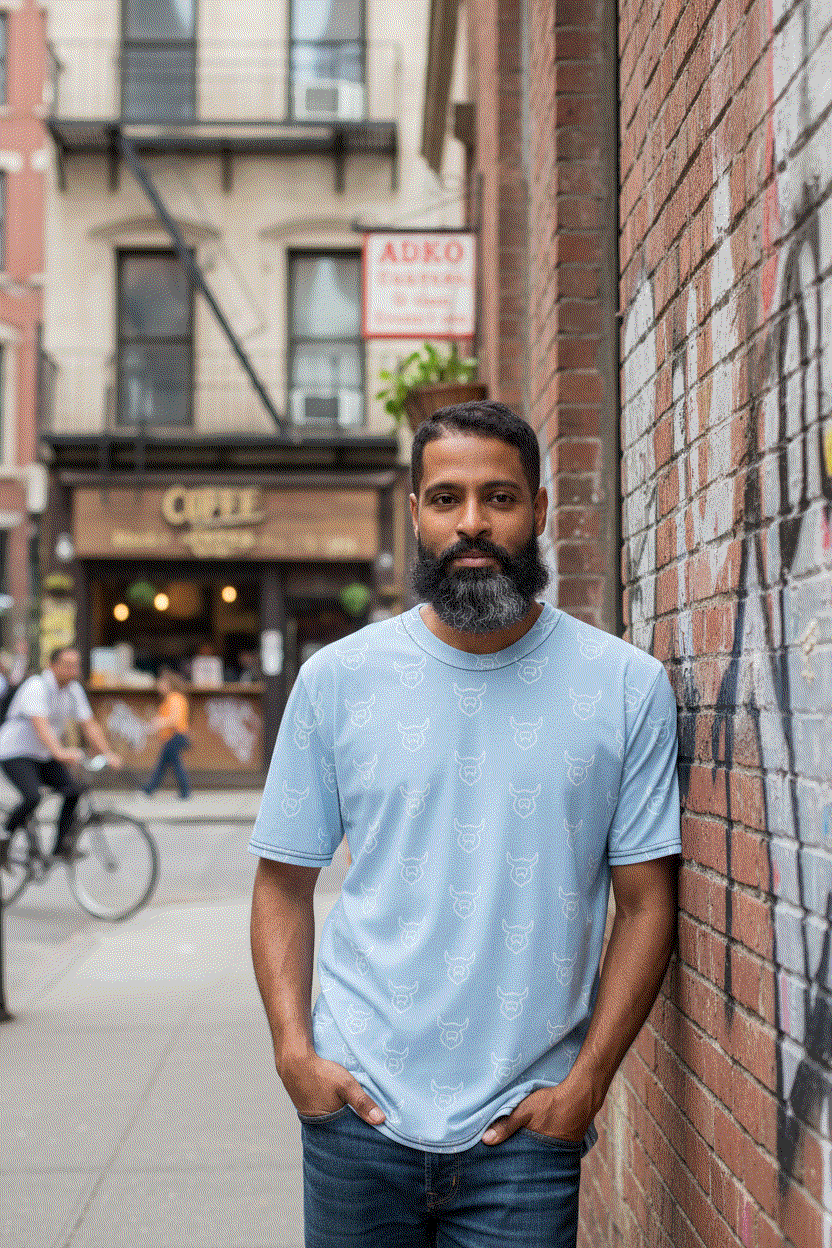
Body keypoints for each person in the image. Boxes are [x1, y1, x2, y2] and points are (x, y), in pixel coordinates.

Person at [249, 401, 681, 1248]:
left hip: (527, 1130)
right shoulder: (339, 680)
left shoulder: (625, 687)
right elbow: (281, 881)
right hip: (355, 1117)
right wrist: (295, 1054)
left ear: (542, 510)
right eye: (445, 499)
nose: (472, 523)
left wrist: (586, 1085)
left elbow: (646, 903)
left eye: (500, 498)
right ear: (414, 513)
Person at [0, 645, 122, 860]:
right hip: (16, 753)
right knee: (32, 796)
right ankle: (4, 836)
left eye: (76, 666)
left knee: (73, 790)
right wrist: (59, 751)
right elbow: (41, 725)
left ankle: (60, 847)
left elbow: (89, 724)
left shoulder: (73, 690)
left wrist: (108, 753)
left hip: (44, 755)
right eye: (67, 665)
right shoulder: (36, 686)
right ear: (52, 665)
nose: (73, 671)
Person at [140, 668, 191, 799]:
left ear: (168, 683)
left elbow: (175, 719)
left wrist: (158, 722)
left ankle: (150, 789)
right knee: (167, 764)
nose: (158, 686)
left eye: (161, 683)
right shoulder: (172, 698)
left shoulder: (174, 697)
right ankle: (151, 789)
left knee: (168, 764)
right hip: (172, 736)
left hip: (175, 735)